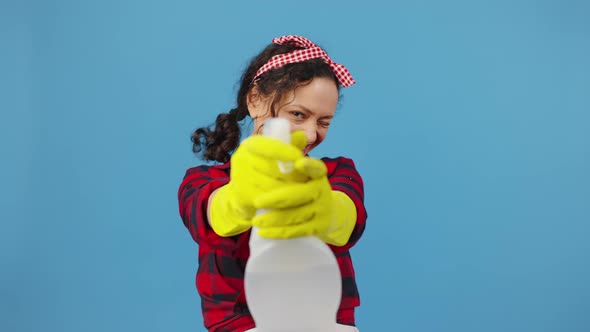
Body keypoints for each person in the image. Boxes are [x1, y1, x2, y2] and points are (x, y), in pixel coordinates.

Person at [178, 35, 367, 332]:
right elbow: (215, 216)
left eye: (323, 122)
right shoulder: (203, 182)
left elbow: (347, 222)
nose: (309, 134)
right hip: (241, 325)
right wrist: (246, 191)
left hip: (328, 323)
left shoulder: (336, 174)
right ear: (255, 100)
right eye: (298, 114)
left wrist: (316, 202)